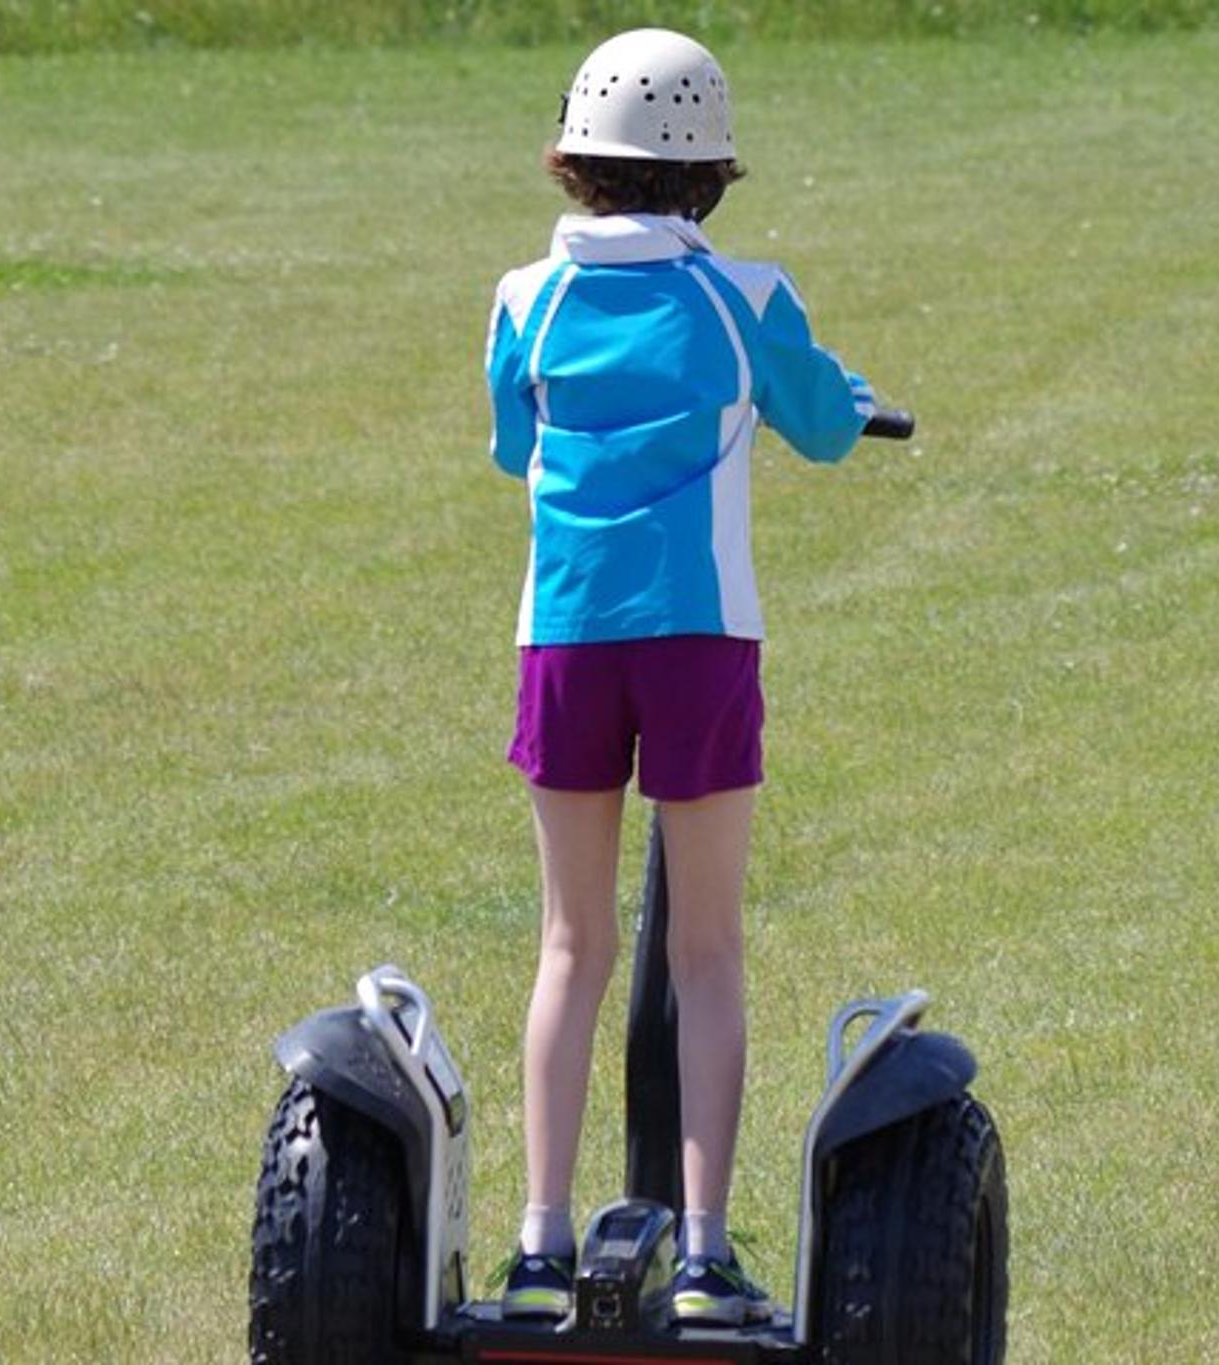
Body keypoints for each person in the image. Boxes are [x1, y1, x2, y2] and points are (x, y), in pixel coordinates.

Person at [484, 27, 878, 1329]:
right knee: (704, 948)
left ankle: (540, 1245)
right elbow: (822, 422)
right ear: (707, 172)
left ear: (574, 163)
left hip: (567, 636)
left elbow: (512, 443)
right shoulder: (743, 295)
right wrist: (852, 395)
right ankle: (704, 1254)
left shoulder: (522, 299)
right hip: (700, 639)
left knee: (570, 942)